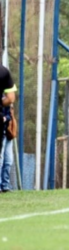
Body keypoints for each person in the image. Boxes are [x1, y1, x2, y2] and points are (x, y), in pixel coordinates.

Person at [0, 64, 16, 193]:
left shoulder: (5, 76)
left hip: (6, 128)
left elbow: (11, 99)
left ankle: (5, 185)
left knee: (8, 160)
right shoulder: (4, 72)